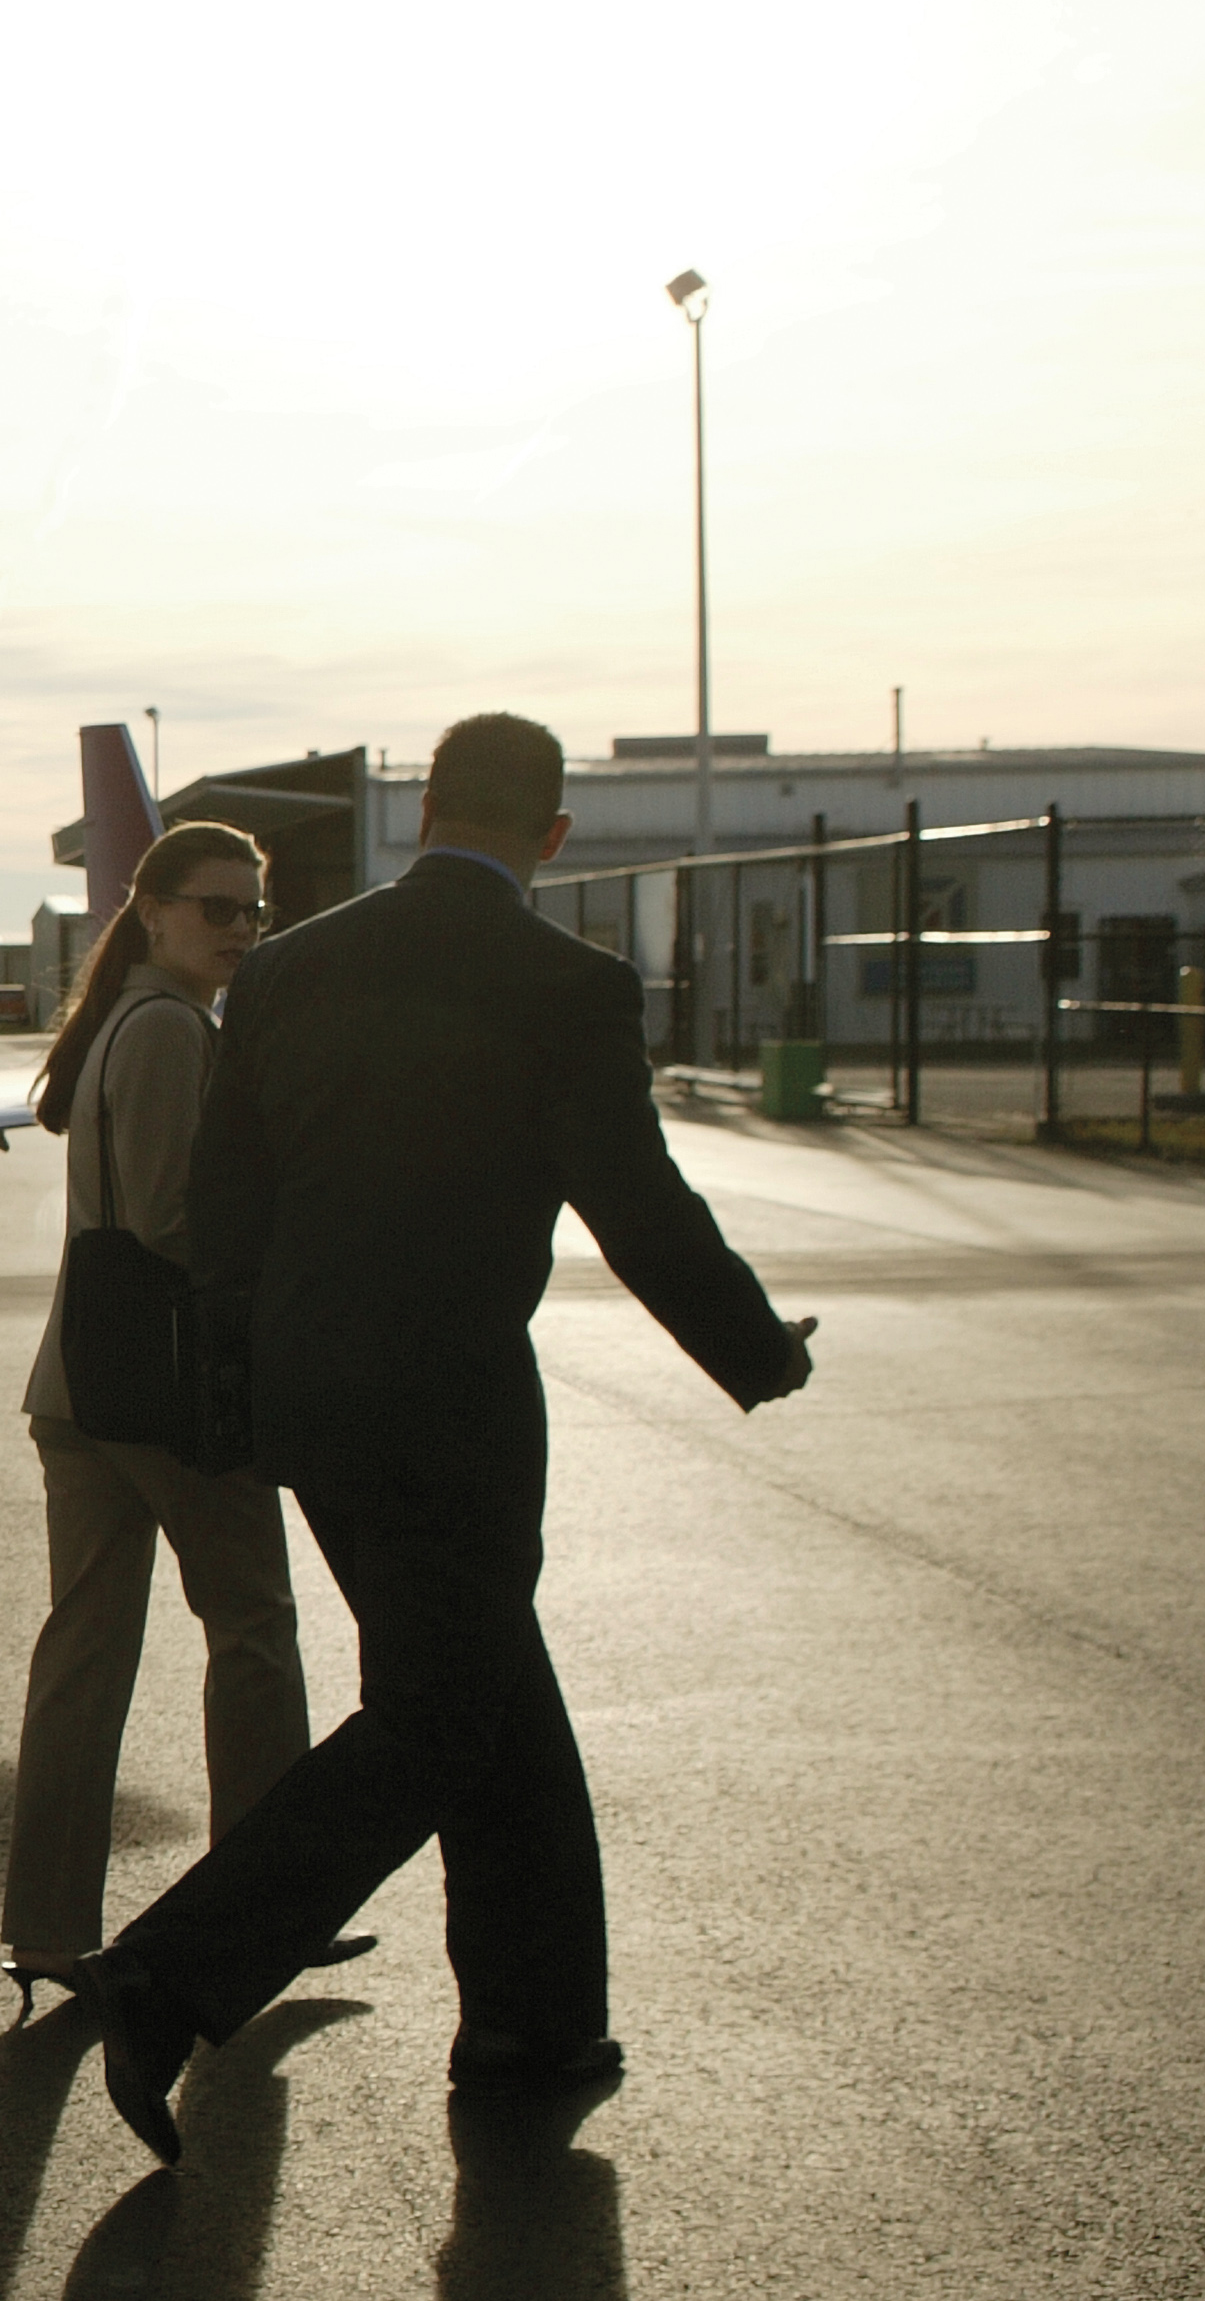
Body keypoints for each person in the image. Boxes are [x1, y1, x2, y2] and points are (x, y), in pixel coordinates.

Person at [90, 712, 818, 2162]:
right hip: (453, 1410)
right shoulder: (564, 985)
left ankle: (531, 2032)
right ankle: (166, 1977)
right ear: (550, 836)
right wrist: (753, 1347)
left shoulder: (289, 969)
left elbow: (226, 1207)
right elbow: (634, 1199)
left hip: (313, 1407)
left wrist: (256, 1375)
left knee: (491, 1703)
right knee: (444, 1717)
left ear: (424, 810)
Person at [0, 819, 312, 2013]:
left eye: (252, 913)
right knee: (254, 1627)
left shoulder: (117, 1019)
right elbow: (179, 1223)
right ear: (156, 909)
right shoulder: (175, 1030)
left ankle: (48, 1926)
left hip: (79, 1384)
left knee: (84, 1650)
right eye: (216, 908)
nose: (237, 931)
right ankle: (263, 1913)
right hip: (166, 1395)